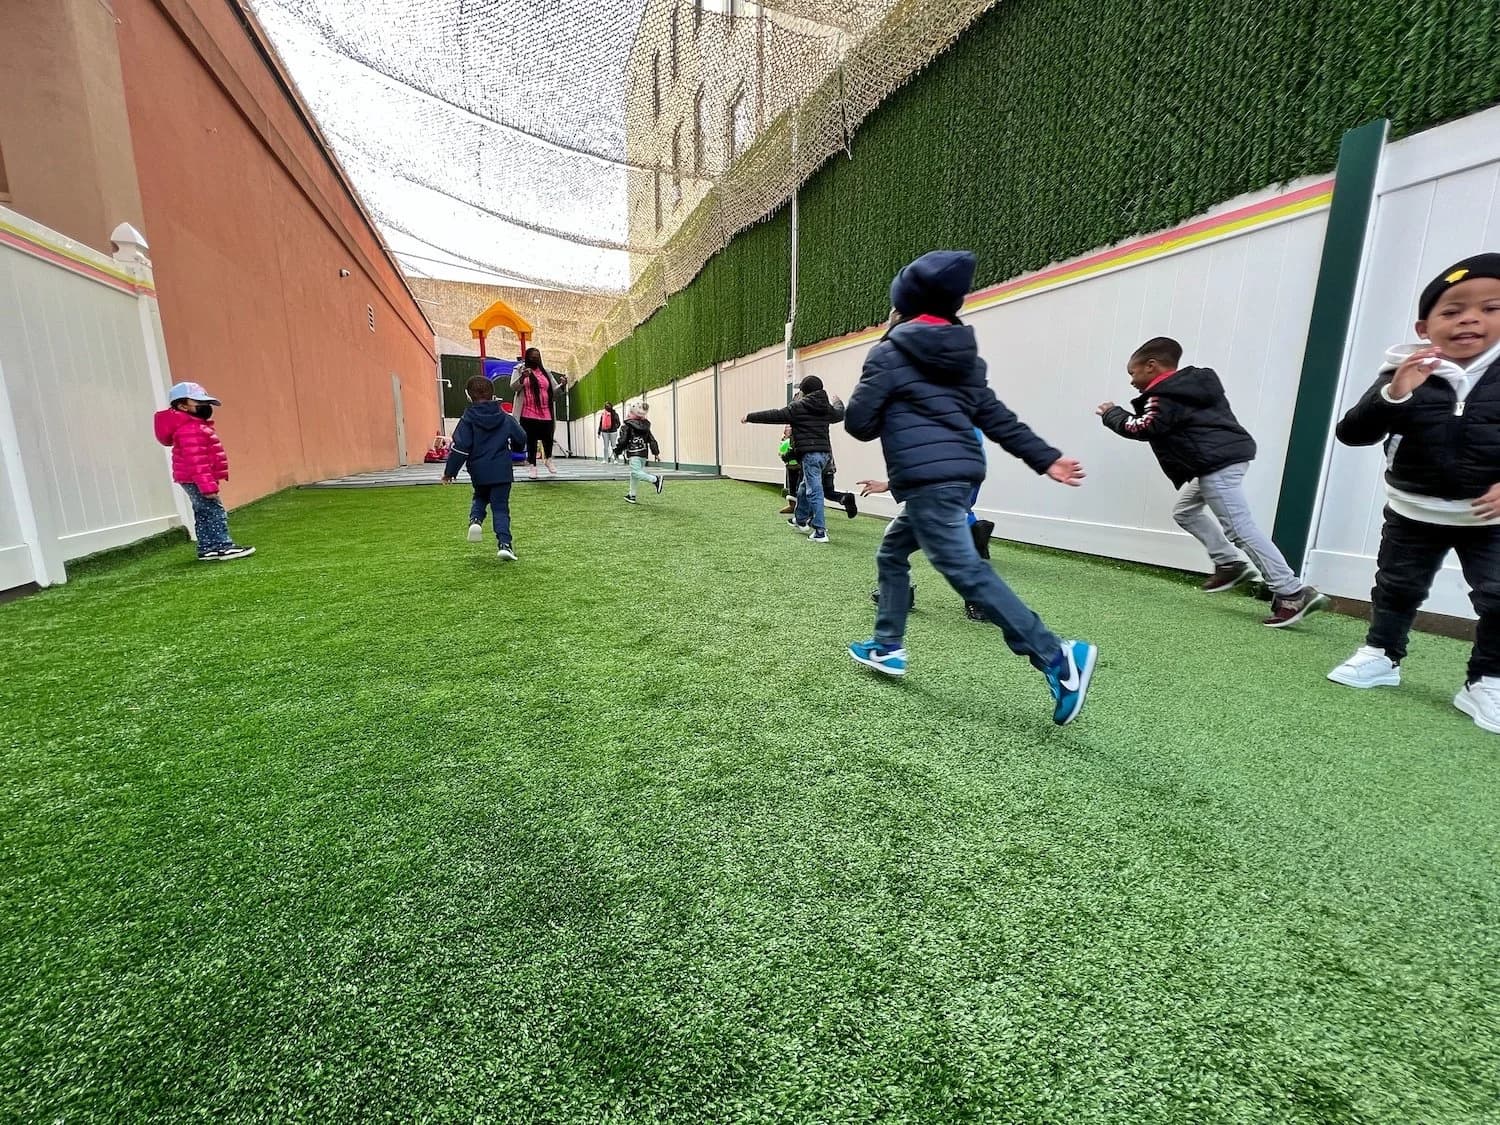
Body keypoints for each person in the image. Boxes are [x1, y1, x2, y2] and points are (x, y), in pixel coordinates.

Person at [844, 250, 1096, 725]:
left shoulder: (889, 353)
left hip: (928, 482)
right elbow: (995, 417)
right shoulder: (963, 357)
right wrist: (1046, 459)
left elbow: (859, 423)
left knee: (965, 572)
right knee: (892, 554)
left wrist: (881, 358)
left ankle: (1058, 657)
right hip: (957, 477)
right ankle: (886, 646)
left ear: (902, 303)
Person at [1326, 253, 1500, 733]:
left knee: (1498, 596)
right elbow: (1352, 433)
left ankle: (1486, 679)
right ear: (1425, 327)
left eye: (1490, 307)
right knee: (1397, 587)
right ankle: (1382, 654)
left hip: (1488, 518)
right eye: (1452, 310)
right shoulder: (1404, 371)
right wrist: (1395, 394)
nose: (1469, 318)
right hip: (1413, 508)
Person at [1097, 337, 1327, 627]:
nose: (1131, 381)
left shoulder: (1164, 394)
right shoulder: (1192, 386)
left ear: (1151, 366)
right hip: (1221, 461)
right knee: (1185, 511)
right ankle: (1229, 564)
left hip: (1214, 465)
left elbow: (1145, 427)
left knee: (1240, 529)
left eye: (1133, 372)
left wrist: (1111, 414)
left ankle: (1292, 592)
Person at [153, 381, 254, 562]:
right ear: (182, 405)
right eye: (199, 403)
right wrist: (207, 486)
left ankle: (207, 547)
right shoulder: (191, 429)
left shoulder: (192, 426)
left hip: (191, 478)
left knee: (203, 511)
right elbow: (196, 461)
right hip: (197, 478)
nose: (205, 407)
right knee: (214, 510)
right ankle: (223, 545)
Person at [742, 375, 846, 543]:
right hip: (825, 455)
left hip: (810, 455)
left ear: (804, 392)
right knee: (804, 487)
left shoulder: (799, 407)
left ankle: (820, 531)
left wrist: (749, 417)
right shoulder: (826, 408)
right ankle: (800, 519)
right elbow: (840, 413)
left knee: (814, 491)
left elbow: (774, 415)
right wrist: (838, 402)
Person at [443, 374, 529, 560]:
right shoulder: (505, 417)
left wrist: (450, 472)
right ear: (493, 395)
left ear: (468, 395)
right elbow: (521, 438)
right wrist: (516, 449)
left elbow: (460, 448)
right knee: (500, 508)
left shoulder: (467, 419)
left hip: (479, 470)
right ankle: (505, 545)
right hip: (502, 471)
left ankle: (475, 520)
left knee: (480, 496)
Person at [510, 347, 562, 478]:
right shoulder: (520, 369)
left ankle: (548, 459)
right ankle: (532, 465)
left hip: (546, 411)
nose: (535, 358)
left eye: (537, 356)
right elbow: (513, 387)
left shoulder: (546, 372)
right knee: (531, 439)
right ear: (527, 357)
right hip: (528, 412)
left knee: (548, 437)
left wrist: (562, 385)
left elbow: (554, 391)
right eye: (532, 356)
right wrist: (523, 377)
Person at [615, 402, 664, 504]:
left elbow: (623, 440)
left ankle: (656, 479)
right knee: (634, 474)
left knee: (636, 472)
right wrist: (656, 453)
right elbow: (652, 439)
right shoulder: (646, 425)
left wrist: (617, 451)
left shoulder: (627, 425)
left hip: (633, 453)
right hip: (643, 453)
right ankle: (632, 495)